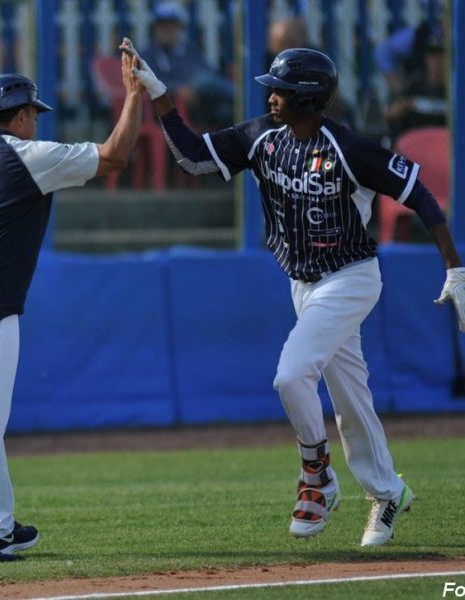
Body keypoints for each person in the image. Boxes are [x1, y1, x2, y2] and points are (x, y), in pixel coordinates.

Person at [124, 41, 465, 545]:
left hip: (350, 277)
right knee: (351, 397)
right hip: (302, 283)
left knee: (290, 376)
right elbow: (194, 158)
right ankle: (388, 491)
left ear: (308, 97)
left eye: (282, 90)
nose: (272, 97)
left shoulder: (349, 149)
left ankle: (317, 476)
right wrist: (158, 93)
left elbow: (420, 194)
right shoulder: (262, 135)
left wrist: (456, 269)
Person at [0, 43, 144, 564]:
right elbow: (115, 156)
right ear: (20, 117)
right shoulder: (26, 155)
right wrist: (133, 96)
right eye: (33, 116)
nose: (35, 125)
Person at [139, 1, 234, 129]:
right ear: (155, 27)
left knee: (226, 110)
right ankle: (240, 95)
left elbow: (207, 70)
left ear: (179, 27)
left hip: (202, 100)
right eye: (163, 25)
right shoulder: (149, 54)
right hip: (175, 104)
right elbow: (150, 82)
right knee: (205, 81)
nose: (167, 30)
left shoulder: (189, 49)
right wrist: (179, 89)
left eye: (171, 25)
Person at [383, 29, 446, 141]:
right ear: (426, 59)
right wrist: (400, 110)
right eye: (433, 55)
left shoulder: (454, 91)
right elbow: (389, 114)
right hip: (415, 147)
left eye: (440, 55)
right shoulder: (415, 86)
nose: (436, 61)